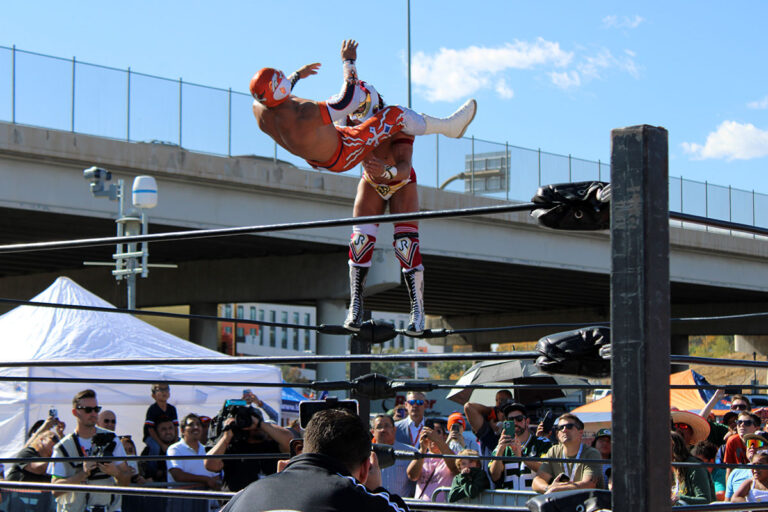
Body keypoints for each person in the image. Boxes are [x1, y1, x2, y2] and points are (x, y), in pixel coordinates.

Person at [249, 39, 476, 174]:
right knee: (395, 114)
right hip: (343, 152)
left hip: (319, 152)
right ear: (280, 90)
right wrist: (348, 61)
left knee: (336, 104)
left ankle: (362, 124)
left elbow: (275, 96)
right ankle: (449, 127)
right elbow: (348, 101)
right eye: (282, 80)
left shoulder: (259, 110)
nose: (286, 79)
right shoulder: (304, 114)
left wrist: (296, 76)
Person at [221, 408, 409, 512]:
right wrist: (376, 491)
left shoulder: (243, 496)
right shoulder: (358, 500)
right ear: (365, 469)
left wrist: (280, 482)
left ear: (299, 450)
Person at [48, 389, 132, 512]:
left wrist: (116, 472)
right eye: (88, 410)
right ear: (75, 412)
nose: (93, 413)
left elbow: (126, 482)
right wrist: (83, 474)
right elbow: (55, 490)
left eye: (96, 409)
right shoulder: (62, 447)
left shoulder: (112, 439)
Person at [205, 406, 293, 492]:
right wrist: (226, 437)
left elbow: (290, 440)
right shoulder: (232, 447)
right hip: (239, 498)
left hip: (269, 497)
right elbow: (210, 465)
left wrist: (260, 424)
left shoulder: (273, 445)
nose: (254, 427)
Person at [532, 414, 601, 494]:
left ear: (580, 432)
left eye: (569, 426)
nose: (564, 430)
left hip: (586, 500)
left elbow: (589, 484)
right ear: (557, 434)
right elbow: (537, 481)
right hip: (561, 500)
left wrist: (557, 489)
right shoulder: (554, 451)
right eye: (560, 428)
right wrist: (548, 488)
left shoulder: (591, 453)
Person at [489, 402, 551, 491]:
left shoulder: (542, 443)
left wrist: (521, 456)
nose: (515, 422)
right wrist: (500, 451)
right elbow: (494, 476)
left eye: (519, 419)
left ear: (527, 421)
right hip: (509, 499)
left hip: (535, 498)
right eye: (510, 420)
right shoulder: (501, 447)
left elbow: (547, 469)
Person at [167, 414, 221, 512]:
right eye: (191, 424)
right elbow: (178, 475)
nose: (196, 427)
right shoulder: (174, 449)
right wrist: (206, 480)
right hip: (183, 506)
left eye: (198, 424)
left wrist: (210, 481)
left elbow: (217, 476)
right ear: (182, 430)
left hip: (208, 506)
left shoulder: (208, 450)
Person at [406, 418, 458, 502]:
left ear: (445, 436)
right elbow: (412, 476)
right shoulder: (421, 456)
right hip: (420, 506)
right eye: (429, 433)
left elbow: (455, 468)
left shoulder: (453, 454)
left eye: (437, 432)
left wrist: (438, 440)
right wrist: (422, 449)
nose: (432, 436)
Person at [372, 413, 417, 498]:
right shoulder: (367, 453)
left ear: (394, 429)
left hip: (400, 504)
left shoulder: (410, 452)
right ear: (372, 432)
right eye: (379, 427)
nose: (383, 430)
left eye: (387, 426)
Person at [671, 431, 715, 505]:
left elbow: (705, 500)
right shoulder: (674, 468)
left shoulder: (695, 467)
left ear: (674, 448)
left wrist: (678, 498)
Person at [725, 432, 768, 501]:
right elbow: (728, 501)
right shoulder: (736, 472)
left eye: (757, 443)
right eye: (750, 443)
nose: (752, 446)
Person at [724, 412, 761, 482]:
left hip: (758, 478)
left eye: (747, 423)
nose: (742, 425)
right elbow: (729, 469)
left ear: (756, 428)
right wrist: (728, 487)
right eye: (739, 422)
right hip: (738, 478)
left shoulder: (762, 442)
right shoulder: (732, 441)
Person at [139, 415, 177, 483]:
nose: (168, 432)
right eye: (163, 429)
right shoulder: (149, 451)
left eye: (170, 428)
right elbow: (144, 474)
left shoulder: (182, 448)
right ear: (156, 432)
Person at [144, 383, 179, 456]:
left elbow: (176, 427)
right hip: (152, 437)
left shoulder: (172, 409)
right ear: (153, 395)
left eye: (166, 389)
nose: (164, 392)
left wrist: (175, 442)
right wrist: (162, 444)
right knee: (155, 447)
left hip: (168, 436)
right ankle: (152, 464)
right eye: (160, 390)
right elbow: (150, 429)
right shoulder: (152, 409)